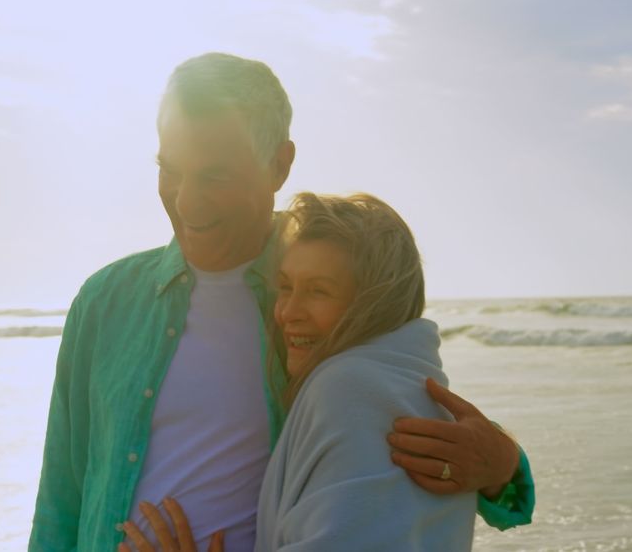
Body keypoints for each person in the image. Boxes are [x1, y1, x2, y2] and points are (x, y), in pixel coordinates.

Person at [28, 52, 533, 552]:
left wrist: (503, 467)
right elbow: (61, 499)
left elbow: (400, 419)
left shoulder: (324, 292)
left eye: (214, 175)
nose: (185, 201)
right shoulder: (106, 300)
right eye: (170, 170)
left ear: (279, 164)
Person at [124, 192, 501, 552]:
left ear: (374, 302)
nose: (288, 312)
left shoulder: (349, 388)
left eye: (319, 291)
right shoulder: (411, 381)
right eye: (286, 287)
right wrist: (509, 470)